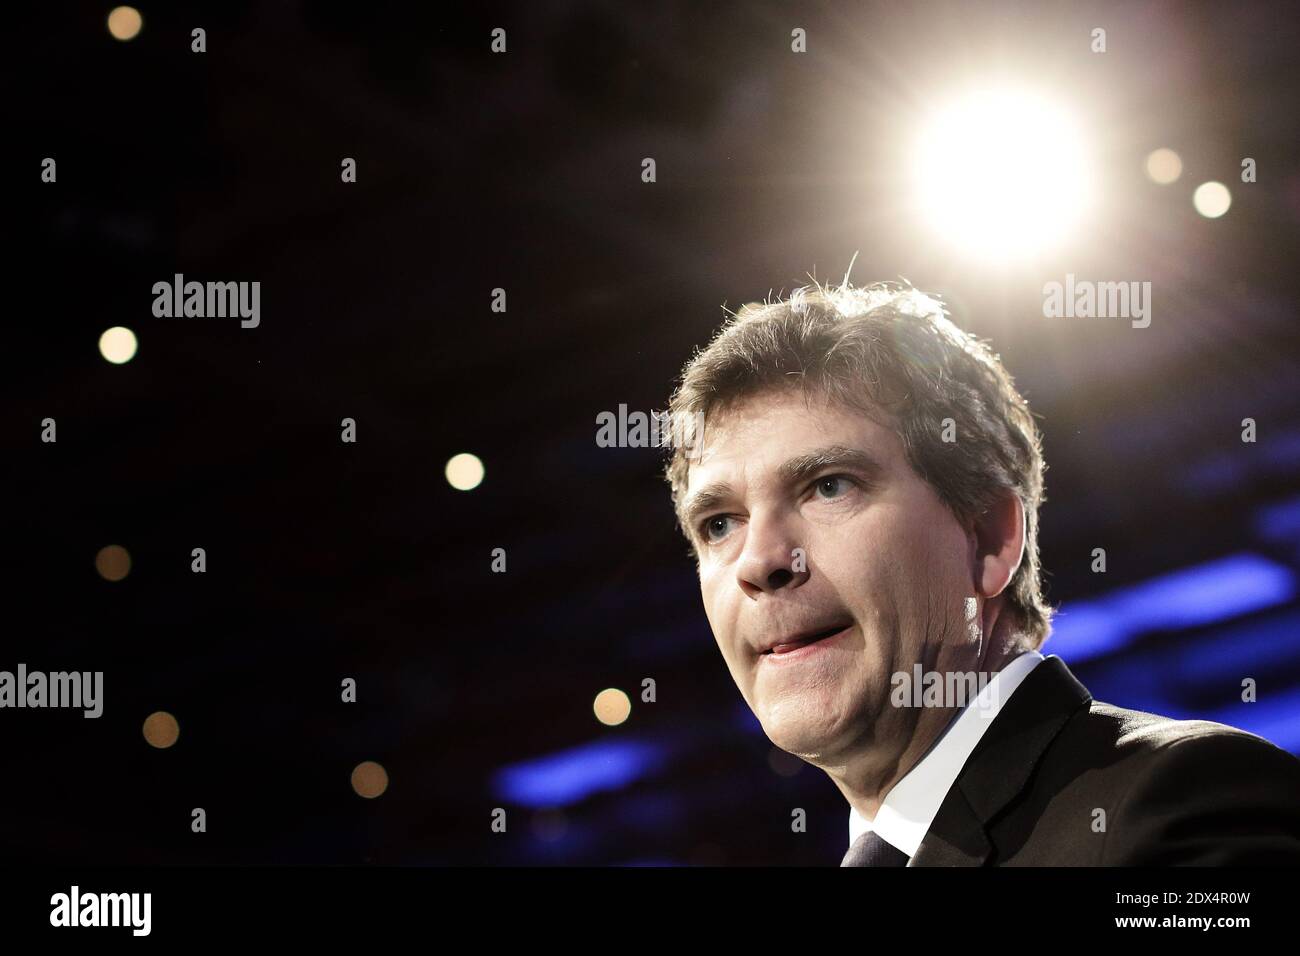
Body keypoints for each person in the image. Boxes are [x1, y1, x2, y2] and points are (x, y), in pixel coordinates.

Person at [660, 277, 1300, 865]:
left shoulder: (1178, 811)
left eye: (829, 486)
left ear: (990, 537)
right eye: (719, 523)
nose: (760, 561)